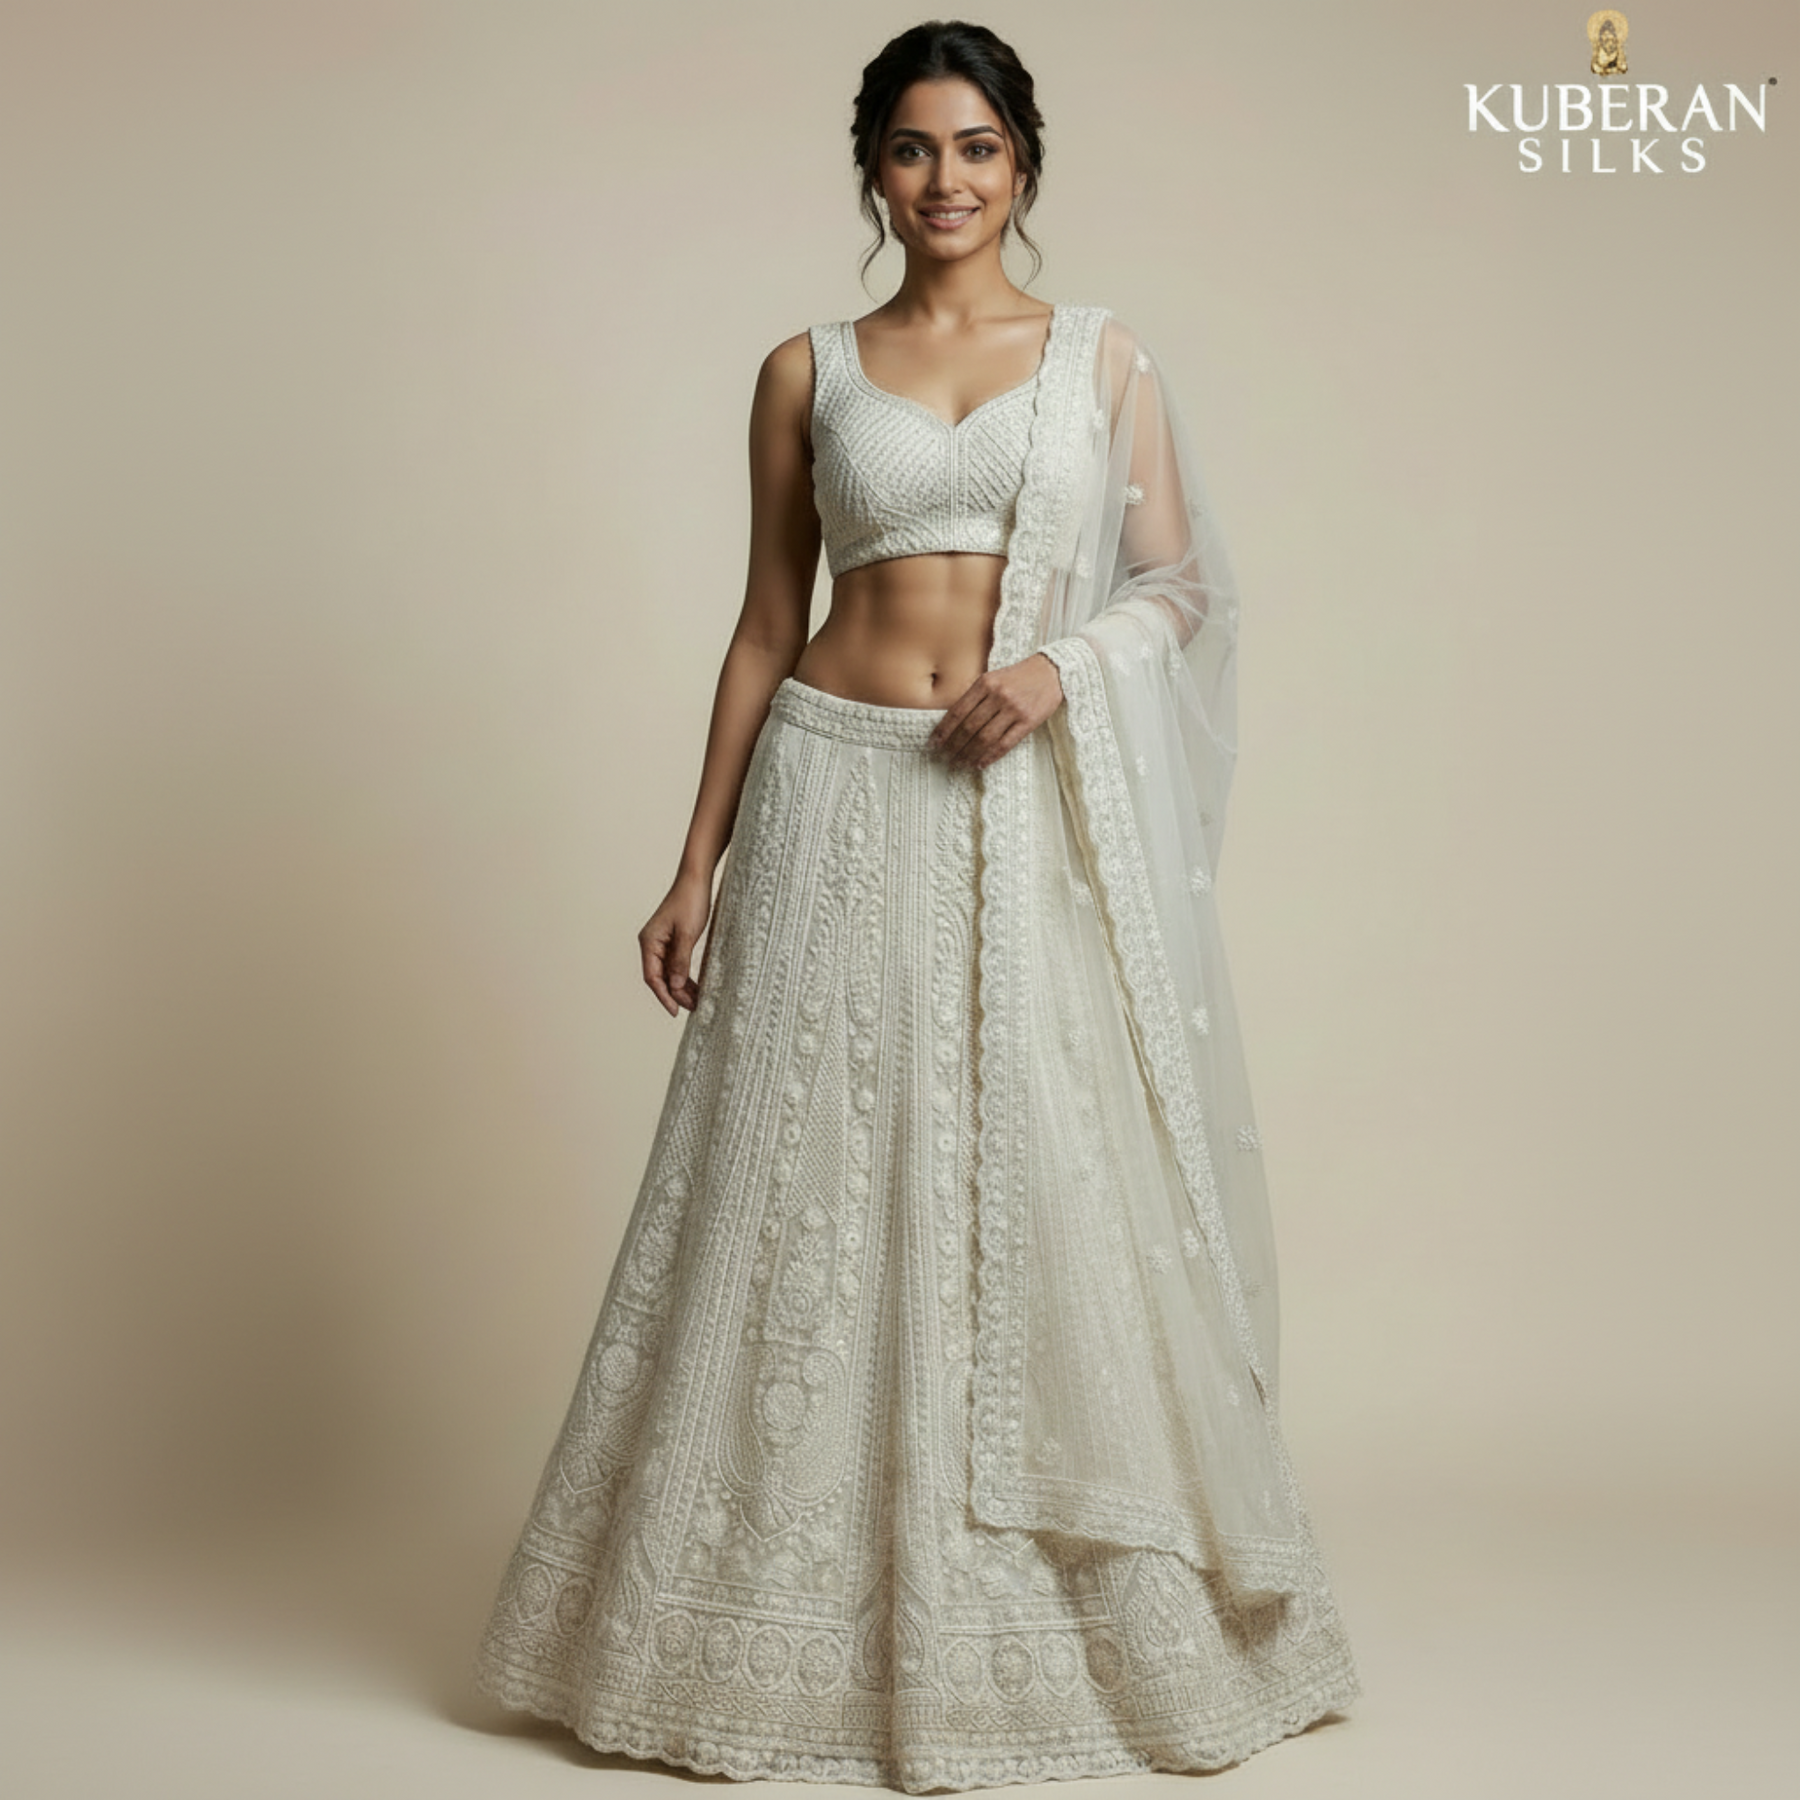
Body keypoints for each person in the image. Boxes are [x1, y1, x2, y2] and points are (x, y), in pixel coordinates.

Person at [472, 19, 1360, 1790]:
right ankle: (762, 1611)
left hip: (1011, 798)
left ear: (1022, 164)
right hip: (829, 785)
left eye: (977, 148)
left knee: (1040, 1163)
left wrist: (1056, 666)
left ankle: (1049, 1600)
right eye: (910, 149)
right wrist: (697, 857)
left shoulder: (1102, 362)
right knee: (798, 1181)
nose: (945, 181)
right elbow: (763, 620)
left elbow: (1181, 585)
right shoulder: (806, 370)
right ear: (871, 170)